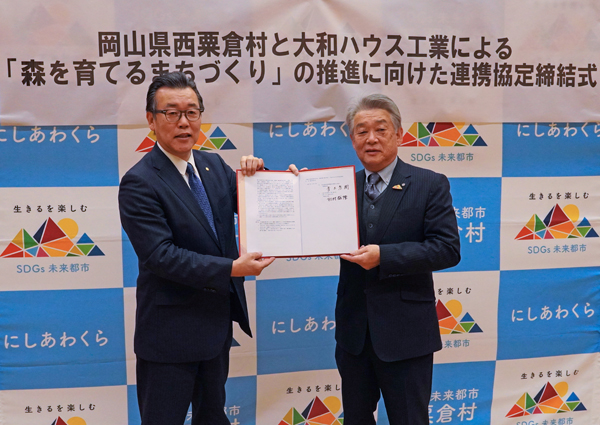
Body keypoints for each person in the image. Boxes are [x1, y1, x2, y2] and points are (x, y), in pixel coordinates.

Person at [118, 71, 275, 425]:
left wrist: (269, 178)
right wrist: (231, 269)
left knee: (212, 418)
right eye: (171, 113)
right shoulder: (139, 182)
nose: (183, 122)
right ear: (151, 120)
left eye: (191, 112)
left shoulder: (213, 165)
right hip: (169, 335)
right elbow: (161, 256)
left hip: (215, 328)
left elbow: (258, 208)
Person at [335, 94, 461, 425]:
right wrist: (295, 185)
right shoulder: (339, 188)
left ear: (399, 135)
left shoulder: (429, 184)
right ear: (352, 139)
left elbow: (447, 248)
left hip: (407, 335)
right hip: (353, 334)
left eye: (380, 129)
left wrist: (384, 256)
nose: (371, 138)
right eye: (361, 131)